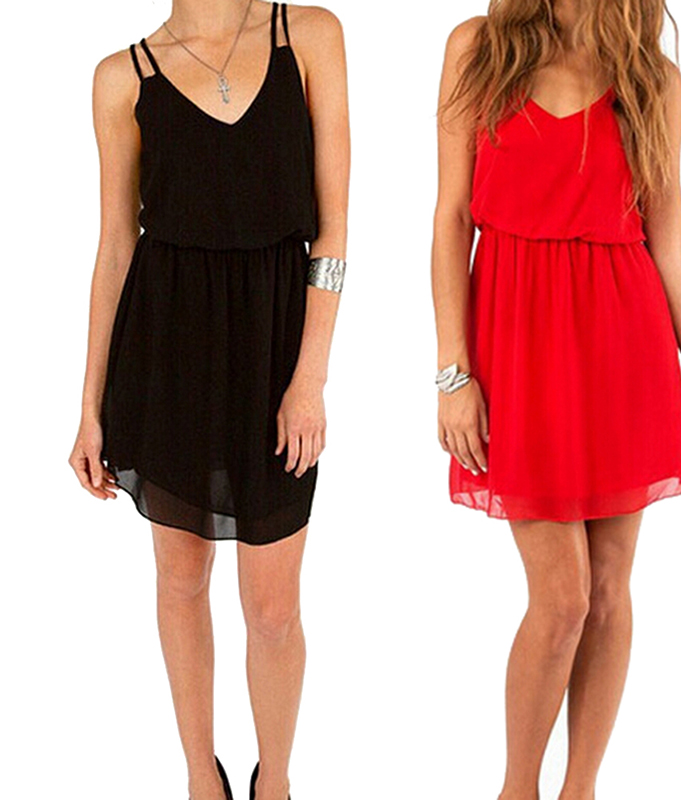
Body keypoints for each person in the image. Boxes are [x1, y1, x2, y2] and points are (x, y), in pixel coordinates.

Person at [430, 2, 681, 798]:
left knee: (610, 591)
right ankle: (517, 790)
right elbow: (450, 218)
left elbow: (670, 247)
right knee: (562, 599)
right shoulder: (478, 49)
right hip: (516, 347)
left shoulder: (654, 81)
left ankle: (579, 790)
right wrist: (453, 373)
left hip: (623, 345)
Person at [67, 2, 349, 799]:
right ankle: (201, 779)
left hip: (276, 347)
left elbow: (333, 231)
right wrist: (89, 406)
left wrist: (310, 377)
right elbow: (115, 245)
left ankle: (276, 783)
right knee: (181, 579)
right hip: (166, 350)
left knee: (273, 608)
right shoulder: (121, 77)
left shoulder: (309, 36)